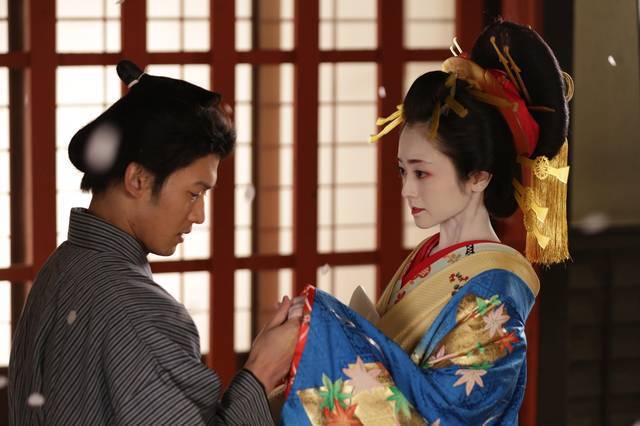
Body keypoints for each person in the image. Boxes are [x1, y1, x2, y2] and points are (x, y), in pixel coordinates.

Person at [280, 19, 571, 425]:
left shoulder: (496, 291)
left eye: (422, 173)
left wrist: (321, 328)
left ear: (478, 177)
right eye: (403, 171)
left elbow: (445, 416)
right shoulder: (431, 253)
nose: (407, 190)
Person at [9, 61, 299, 425]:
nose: (200, 215)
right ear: (138, 180)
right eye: (194, 193)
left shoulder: (60, 269)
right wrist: (261, 372)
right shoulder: (139, 311)